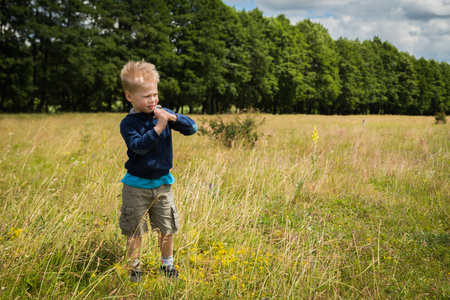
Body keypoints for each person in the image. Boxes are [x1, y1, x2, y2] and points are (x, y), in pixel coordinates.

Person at [119, 60, 197, 282]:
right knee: (134, 231)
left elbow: (192, 128)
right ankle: (134, 268)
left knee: (167, 227)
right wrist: (159, 126)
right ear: (129, 96)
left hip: (163, 185)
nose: (153, 100)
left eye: (155, 94)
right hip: (136, 187)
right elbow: (140, 147)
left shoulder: (163, 113)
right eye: (146, 96)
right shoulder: (128, 123)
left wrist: (172, 117)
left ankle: (167, 265)